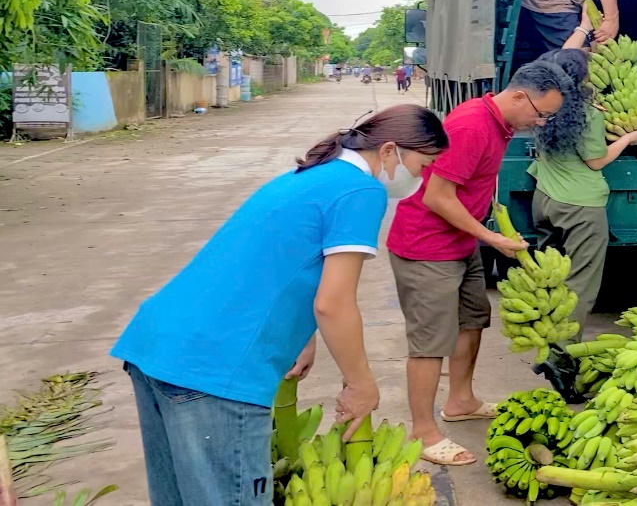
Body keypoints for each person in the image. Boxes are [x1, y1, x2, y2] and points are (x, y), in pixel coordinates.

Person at [111, 105, 449, 505]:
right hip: (216, 368)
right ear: (391, 151)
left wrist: (303, 336)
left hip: (159, 346)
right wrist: (361, 385)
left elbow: (279, 260)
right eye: (423, 164)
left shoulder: (310, 175)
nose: (423, 176)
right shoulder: (362, 190)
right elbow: (334, 303)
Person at [386, 61, 571, 466]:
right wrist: (492, 239)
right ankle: (425, 431)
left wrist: (491, 229)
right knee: (430, 343)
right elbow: (437, 196)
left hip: (460, 240)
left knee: (473, 319)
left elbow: (473, 185)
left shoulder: (500, 122)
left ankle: (461, 400)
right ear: (520, 95)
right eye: (541, 114)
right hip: (427, 247)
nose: (541, 123)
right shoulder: (472, 125)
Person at [527, 47, 637, 401]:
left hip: (545, 198)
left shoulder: (543, 106)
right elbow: (596, 161)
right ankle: (561, 359)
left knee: (551, 277)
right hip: (580, 205)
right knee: (582, 284)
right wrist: (628, 138)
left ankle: (546, 338)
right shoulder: (586, 114)